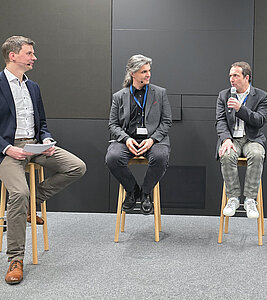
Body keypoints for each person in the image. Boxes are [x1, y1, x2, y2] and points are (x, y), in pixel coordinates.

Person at [0, 36, 86, 285]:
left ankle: (32, 203)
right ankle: (15, 259)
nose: (34, 57)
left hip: (35, 146)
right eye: (29, 53)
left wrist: (46, 141)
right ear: (13, 56)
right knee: (17, 193)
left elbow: (43, 124)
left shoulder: (33, 87)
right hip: (8, 151)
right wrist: (7, 149)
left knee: (76, 167)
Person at [105, 54, 172, 216]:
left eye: (149, 70)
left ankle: (146, 193)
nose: (148, 74)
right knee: (112, 158)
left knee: (161, 157)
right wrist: (126, 139)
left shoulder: (160, 93)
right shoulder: (119, 96)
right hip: (126, 140)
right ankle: (132, 191)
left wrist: (152, 139)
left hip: (154, 140)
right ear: (132, 73)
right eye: (143, 72)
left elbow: (166, 121)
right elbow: (112, 125)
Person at [216, 61, 267, 219]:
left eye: (235, 75)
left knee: (257, 154)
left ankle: (250, 199)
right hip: (232, 139)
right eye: (230, 75)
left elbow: (259, 120)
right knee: (226, 155)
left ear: (246, 77)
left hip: (252, 138)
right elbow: (220, 121)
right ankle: (232, 198)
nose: (231, 79)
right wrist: (225, 139)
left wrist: (241, 109)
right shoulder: (224, 95)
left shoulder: (261, 96)